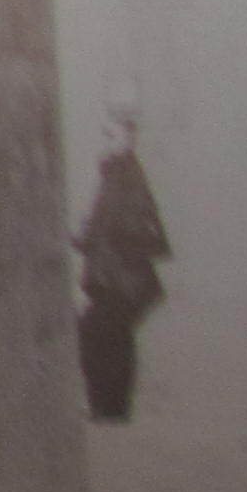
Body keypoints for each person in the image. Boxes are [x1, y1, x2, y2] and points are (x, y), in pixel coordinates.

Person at [73, 116, 172, 424]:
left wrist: (101, 240)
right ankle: (109, 407)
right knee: (106, 338)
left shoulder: (126, 175)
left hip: (120, 281)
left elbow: (138, 228)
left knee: (100, 337)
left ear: (128, 139)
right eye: (105, 136)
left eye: (112, 136)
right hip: (112, 279)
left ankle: (110, 408)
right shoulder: (113, 174)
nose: (106, 142)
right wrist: (85, 237)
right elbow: (103, 228)